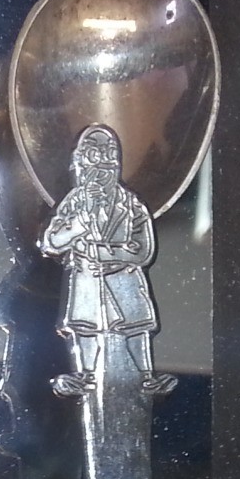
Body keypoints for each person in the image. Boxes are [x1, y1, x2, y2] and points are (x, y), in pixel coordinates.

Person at [38, 125, 176, 399]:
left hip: (124, 278)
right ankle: (85, 373)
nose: (101, 163)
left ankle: (146, 376)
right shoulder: (74, 202)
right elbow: (52, 241)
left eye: (108, 154)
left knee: (136, 325)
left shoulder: (131, 204)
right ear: (80, 161)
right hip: (87, 278)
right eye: (94, 155)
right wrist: (76, 228)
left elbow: (143, 249)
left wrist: (103, 253)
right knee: (84, 326)